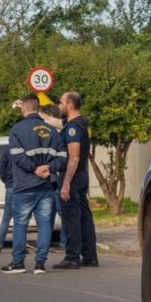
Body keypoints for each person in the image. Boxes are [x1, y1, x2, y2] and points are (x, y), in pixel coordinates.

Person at [2, 93, 66, 274]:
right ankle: (40, 264)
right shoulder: (52, 130)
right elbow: (62, 155)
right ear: (38, 108)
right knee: (45, 224)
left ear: (23, 109)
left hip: (25, 185)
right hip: (47, 184)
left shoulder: (17, 130)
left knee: (21, 224)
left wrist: (34, 169)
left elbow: (17, 156)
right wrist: (49, 167)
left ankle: (18, 262)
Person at [54, 91, 98, 269]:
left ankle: (72, 257)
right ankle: (89, 256)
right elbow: (55, 122)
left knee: (71, 218)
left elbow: (74, 157)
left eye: (61, 102)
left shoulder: (73, 128)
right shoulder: (80, 123)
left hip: (72, 176)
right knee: (84, 218)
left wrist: (66, 183)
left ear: (69, 105)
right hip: (81, 177)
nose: (59, 105)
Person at [39, 104, 68, 251]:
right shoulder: (47, 133)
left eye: (41, 116)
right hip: (49, 178)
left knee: (61, 212)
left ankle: (63, 242)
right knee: (48, 214)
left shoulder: (59, 133)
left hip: (58, 178)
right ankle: (47, 242)